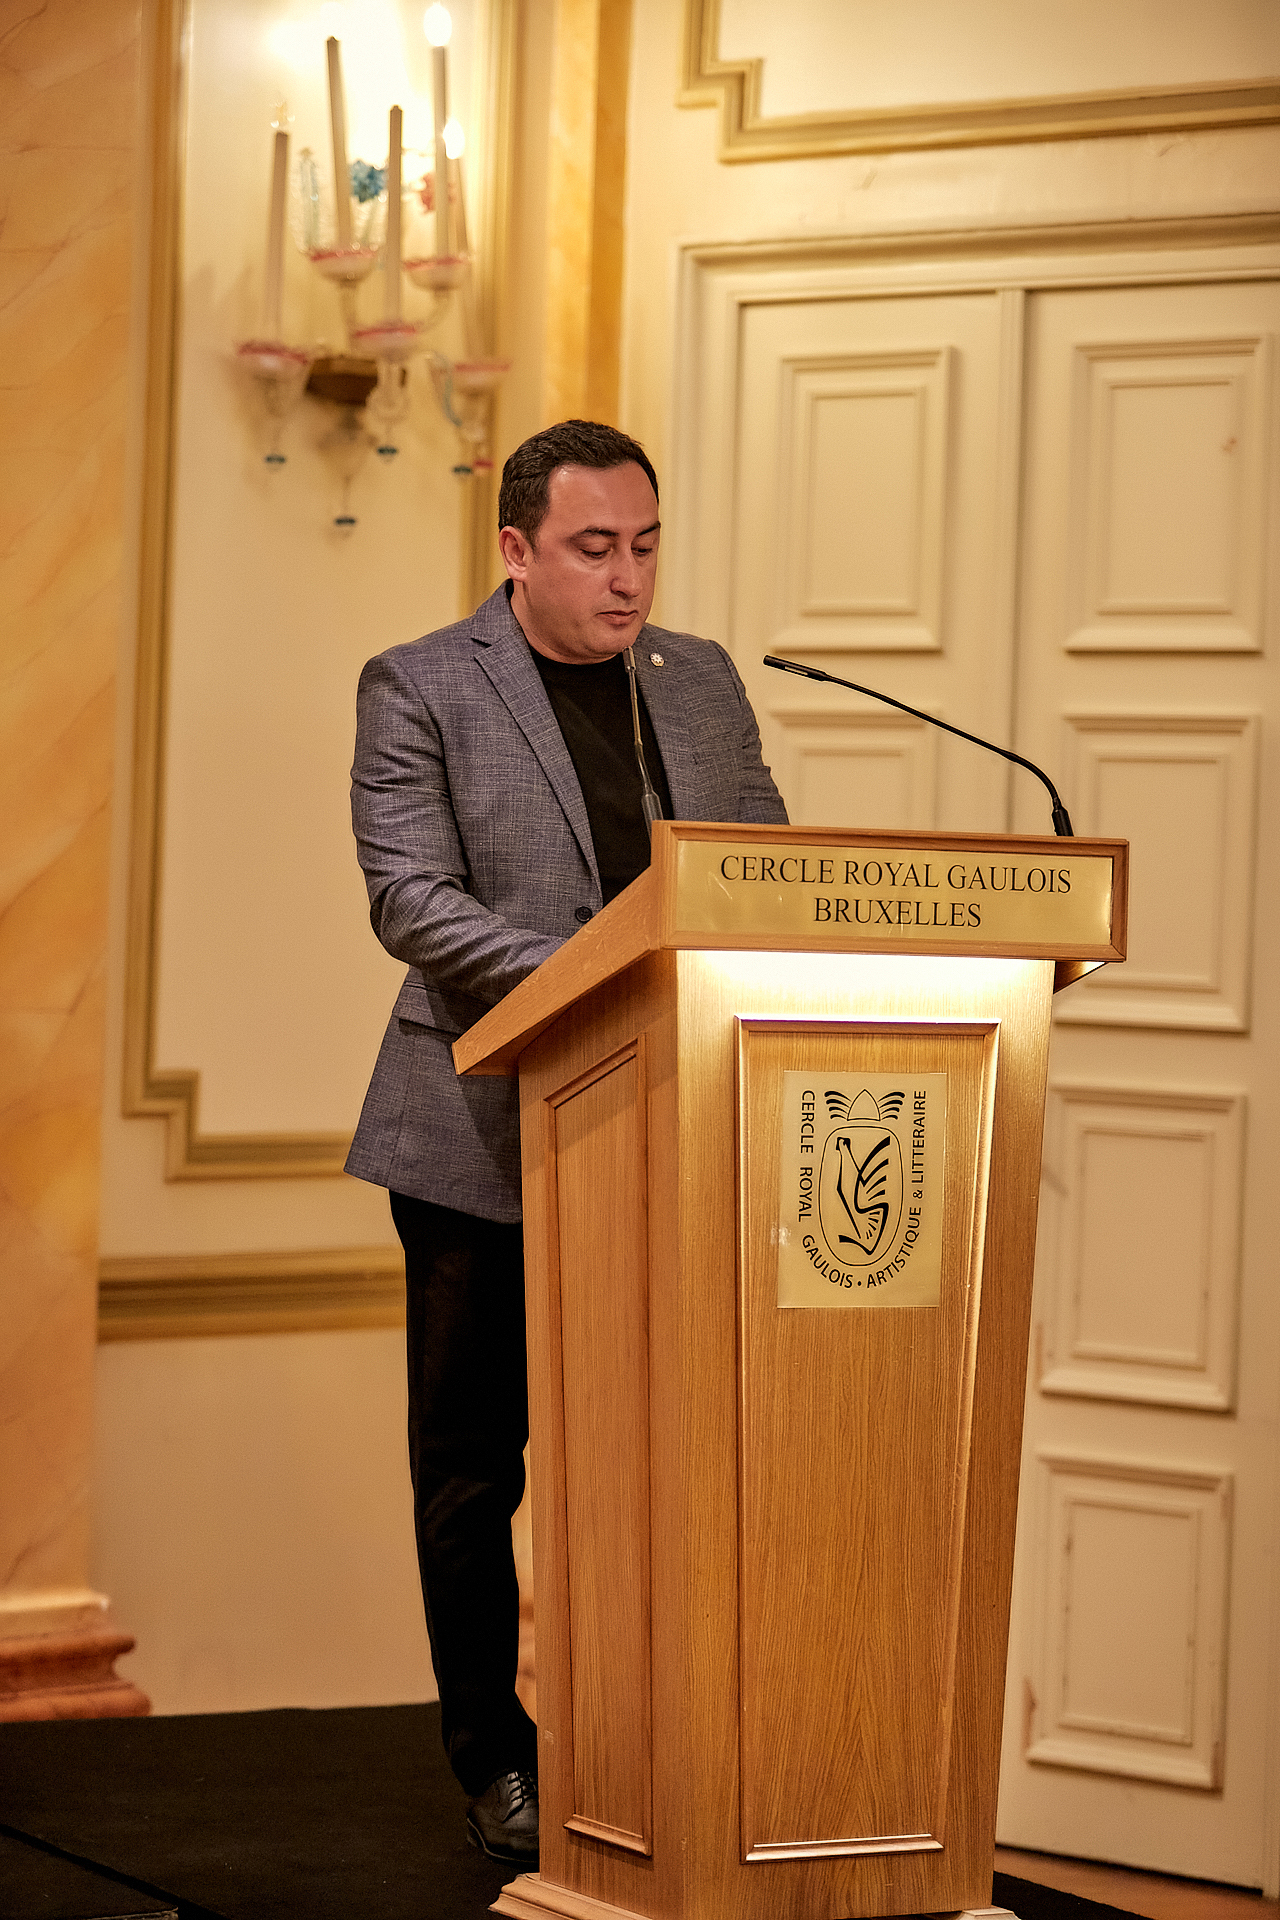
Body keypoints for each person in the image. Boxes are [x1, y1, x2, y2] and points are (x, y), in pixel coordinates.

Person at [346, 419, 787, 1865]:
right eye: (596, 548)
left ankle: (654, 1746)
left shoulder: (700, 680)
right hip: (482, 1137)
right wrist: (601, 974)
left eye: (646, 545)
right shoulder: (421, 683)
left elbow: (764, 870)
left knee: (659, 1454)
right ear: (517, 549)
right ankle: (498, 1756)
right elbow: (412, 900)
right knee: (479, 1468)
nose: (629, 578)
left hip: (679, 1128)